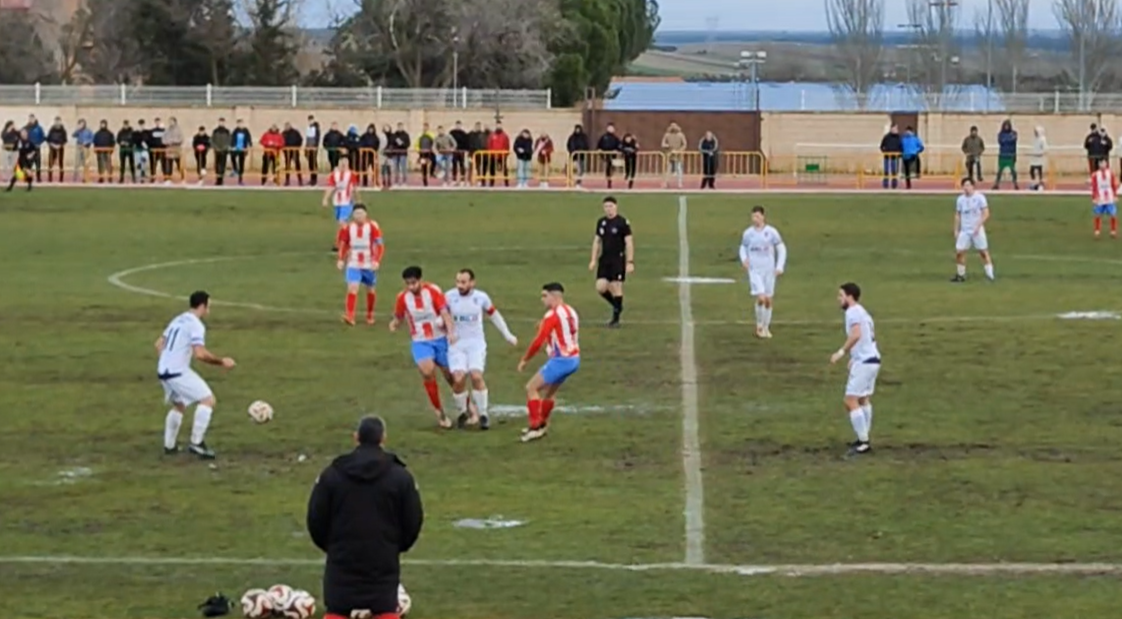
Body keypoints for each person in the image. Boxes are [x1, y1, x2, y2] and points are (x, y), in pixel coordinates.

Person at [306, 415, 423, 619]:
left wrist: (331, 546)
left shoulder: (332, 474)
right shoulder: (400, 476)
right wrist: (396, 545)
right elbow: (413, 519)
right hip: (383, 557)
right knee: (384, 608)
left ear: (356, 437)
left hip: (342, 557)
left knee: (337, 609)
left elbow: (316, 518)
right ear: (383, 438)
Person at [155, 291, 236, 460]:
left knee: (179, 405)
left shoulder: (177, 319)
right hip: (177, 371)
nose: (209, 310)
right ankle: (196, 444)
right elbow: (199, 354)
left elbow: (159, 344)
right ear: (203, 306)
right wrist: (222, 362)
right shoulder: (196, 325)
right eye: (209, 306)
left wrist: (168, 360)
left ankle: (169, 447)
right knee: (208, 400)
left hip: (163, 370)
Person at [444, 269, 518, 430]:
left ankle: (483, 414)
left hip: (476, 343)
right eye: (458, 282)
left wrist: (507, 334)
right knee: (458, 379)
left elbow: (494, 315)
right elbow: (442, 315)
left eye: (463, 282)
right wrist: (439, 323)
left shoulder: (481, 298)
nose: (460, 286)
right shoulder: (449, 297)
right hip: (456, 344)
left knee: (476, 376)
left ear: (472, 282)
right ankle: (463, 412)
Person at [390, 266, 459, 429]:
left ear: (420, 280)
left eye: (413, 283)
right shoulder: (402, 298)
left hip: (440, 339)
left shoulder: (433, 291)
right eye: (408, 284)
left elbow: (444, 313)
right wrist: (394, 323)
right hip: (420, 341)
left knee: (452, 377)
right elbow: (398, 316)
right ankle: (440, 413)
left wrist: (450, 332)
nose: (411, 287)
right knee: (427, 371)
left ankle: (467, 406)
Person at [517, 282, 580, 443]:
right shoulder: (571, 311)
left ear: (554, 296)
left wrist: (525, 360)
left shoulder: (551, 315)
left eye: (545, 296)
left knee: (531, 387)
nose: (542, 299)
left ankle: (535, 427)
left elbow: (538, 342)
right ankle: (543, 424)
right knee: (550, 393)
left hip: (561, 360)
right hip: (574, 359)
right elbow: (562, 329)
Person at [829, 282, 880, 457]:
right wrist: (854, 357)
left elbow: (857, 334)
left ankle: (863, 442)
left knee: (850, 400)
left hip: (865, 362)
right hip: (872, 359)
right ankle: (863, 438)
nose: (838, 299)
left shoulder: (852, 313)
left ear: (850, 297)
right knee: (863, 399)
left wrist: (842, 352)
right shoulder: (862, 311)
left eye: (841, 296)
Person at [739, 206, 788, 339]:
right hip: (755, 270)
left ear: (763, 217)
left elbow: (781, 248)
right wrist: (744, 259)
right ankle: (759, 325)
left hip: (769, 270)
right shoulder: (748, 233)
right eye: (753, 216)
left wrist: (779, 266)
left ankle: (766, 327)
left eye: (758, 216)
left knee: (768, 301)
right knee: (761, 297)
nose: (755, 219)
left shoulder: (771, 232)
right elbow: (743, 247)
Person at [589, 196, 634, 328]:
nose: (608, 209)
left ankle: (615, 319)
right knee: (600, 287)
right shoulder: (601, 222)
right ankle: (617, 305)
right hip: (605, 259)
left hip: (617, 259)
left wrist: (630, 261)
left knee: (616, 286)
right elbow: (597, 241)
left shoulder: (622, 222)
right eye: (606, 206)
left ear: (616, 207)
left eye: (611, 206)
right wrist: (593, 259)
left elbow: (629, 242)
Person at [336, 204, 384, 325]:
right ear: (353, 215)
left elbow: (380, 246)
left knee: (371, 290)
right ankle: (350, 316)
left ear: (365, 214)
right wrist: (341, 259)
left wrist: (376, 261)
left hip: (369, 264)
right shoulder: (348, 228)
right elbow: (343, 245)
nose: (359, 216)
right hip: (354, 263)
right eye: (356, 214)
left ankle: (370, 315)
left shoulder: (372, 227)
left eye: (361, 213)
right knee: (353, 288)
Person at [951, 178, 995, 282]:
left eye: (968, 185)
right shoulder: (960, 200)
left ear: (973, 186)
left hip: (977, 230)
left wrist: (978, 226)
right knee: (959, 252)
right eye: (964, 186)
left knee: (983, 252)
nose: (966, 188)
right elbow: (957, 215)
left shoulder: (980, 198)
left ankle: (990, 275)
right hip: (965, 230)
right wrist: (956, 230)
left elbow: (986, 213)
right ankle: (961, 275)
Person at [323, 158, 359, 251]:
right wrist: (326, 198)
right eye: (341, 163)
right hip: (337, 202)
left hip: (347, 202)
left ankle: (343, 243)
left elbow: (355, 188)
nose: (343, 165)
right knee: (341, 224)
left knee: (342, 222)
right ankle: (343, 242)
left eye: (345, 164)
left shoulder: (351, 175)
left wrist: (357, 200)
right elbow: (331, 187)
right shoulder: (334, 175)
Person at [1090, 158, 1118, 239]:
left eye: (1104, 163)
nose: (1103, 164)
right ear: (1098, 164)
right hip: (1100, 196)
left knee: (1113, 214)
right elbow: (1094, 187)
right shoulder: (1095, 175)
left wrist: (1115, 195)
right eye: (1101, 163)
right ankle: (1097, 230)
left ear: (1106, 163)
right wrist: (1094, 197)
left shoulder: (1110, 173)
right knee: (1098, 214)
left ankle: (1113, 231)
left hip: (1109, 196)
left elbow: (1113, 185)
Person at [993, 120, 1018, 190]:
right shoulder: (1001, 134)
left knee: (1013, 170)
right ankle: (996, 184)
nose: (1006, 127)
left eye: (1008, 125)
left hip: (1011, 155)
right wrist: (1008, 139)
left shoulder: (1014, 133)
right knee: (1000, 170)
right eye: (1005, 125)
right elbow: (1001, 141)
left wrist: (1007, 140)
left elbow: (1013, 140)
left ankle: (1015, 183)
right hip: (1003, 155)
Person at [879, 124, 902, 189]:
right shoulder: (886, 137)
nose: (896, 130)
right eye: (894, 128)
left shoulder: (899, 137)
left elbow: (901, 146)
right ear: (891, 129)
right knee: (886, 171)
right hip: (887, 156)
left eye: (896, 129)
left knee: (894, 171)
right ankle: (885, 185)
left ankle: (894, 185)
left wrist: (899, 153)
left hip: (894, 157)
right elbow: (882, 146)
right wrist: (884, 151)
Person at [1029, 126, 1047, 191]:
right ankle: (1033, 184)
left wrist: (1040, 153)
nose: (1035, 133)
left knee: (1040, 172)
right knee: (1031, 171)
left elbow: (1045, 149)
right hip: (1034, 158)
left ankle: (1041, 185)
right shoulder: (1034, 139)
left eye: (1036, 132)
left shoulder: (1043, 139)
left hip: (1039, 158)